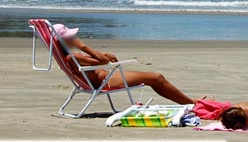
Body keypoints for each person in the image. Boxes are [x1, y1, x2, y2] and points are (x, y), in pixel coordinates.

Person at [53, 23, 195, 105]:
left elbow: (100, 60)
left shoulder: (72, 57)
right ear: (64, 40)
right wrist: (83, 46)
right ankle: (190, 103)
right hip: (106, 81)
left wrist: (103, 56)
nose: (75, 38)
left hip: (106, 77)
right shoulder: (74, 56)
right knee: (157, 78)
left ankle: (188, 101)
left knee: (156, 79)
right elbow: (103, 61)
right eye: (71, 37)